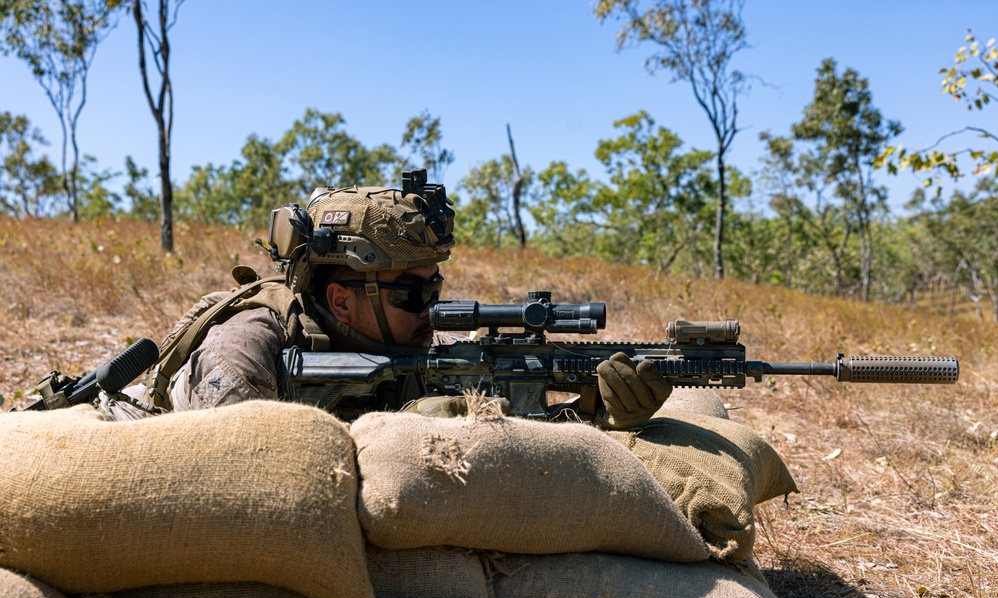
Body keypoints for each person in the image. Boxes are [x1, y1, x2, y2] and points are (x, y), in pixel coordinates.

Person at [124, 169, 671, 427]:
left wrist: (598, 417)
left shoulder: (418, 348)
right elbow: (242, 477)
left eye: (435, 287)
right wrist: (408, 430)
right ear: (340, 301)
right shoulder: (244, 348)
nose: (431, 308)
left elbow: (525, 451)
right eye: (412, 292)